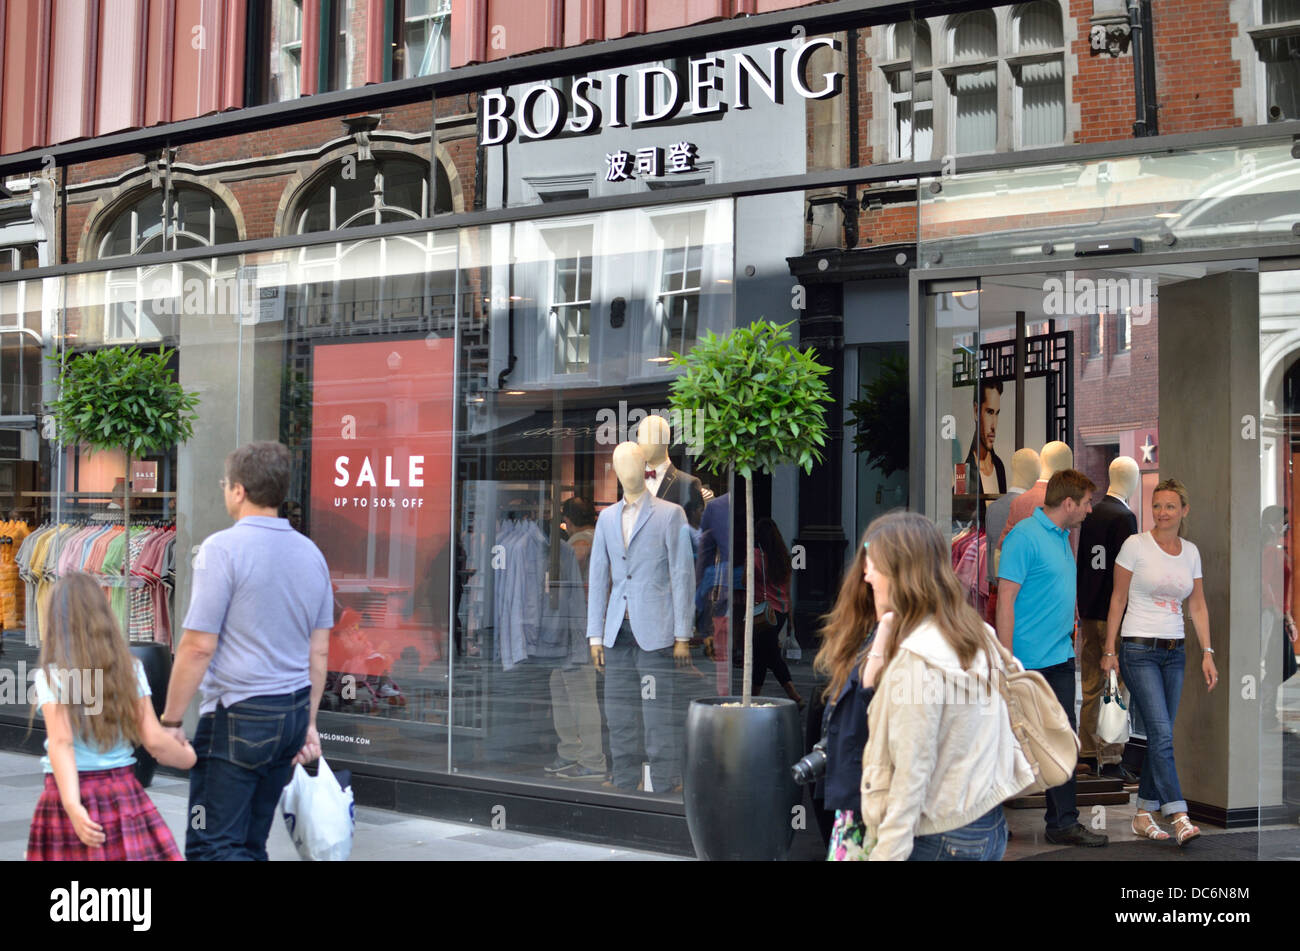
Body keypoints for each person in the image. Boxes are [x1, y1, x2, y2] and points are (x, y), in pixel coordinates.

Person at [160, 441, 334, 860]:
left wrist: (170, 719)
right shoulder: (311, 554)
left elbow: (198, 646)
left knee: (212, 844)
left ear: (239, 490)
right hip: (290, 714)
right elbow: (320, 652)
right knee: (252, 841)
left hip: (238, 717)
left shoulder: (221, 549)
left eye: (225, 484)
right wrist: (308, 723)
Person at [859, 512, 1034, 861]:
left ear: (898, 573)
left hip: (939, 835)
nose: (866, 575)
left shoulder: (918, 658)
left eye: (872, 564)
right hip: (985, 822)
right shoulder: (974, 633)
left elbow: (911, 772)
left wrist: (886, 852)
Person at [26, 572, 196, 861]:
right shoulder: (129, 670)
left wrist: (73, 805)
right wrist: (190, 758)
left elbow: (62, 742)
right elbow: (153, 740)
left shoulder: (53, 675)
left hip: (65, 790)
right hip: (120, 789)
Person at [996, 468, 1108, 847]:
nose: (1090, 511)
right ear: (1068, 503)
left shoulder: (1062, 536)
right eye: (1087, 503)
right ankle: (983, 819)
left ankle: (1062, 822)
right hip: (1026, 662)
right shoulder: (1023, 538)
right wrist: (1007, 661)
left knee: (1062, 742)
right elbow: (1005, 600)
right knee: (1009, 742)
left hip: (1059, 659)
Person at [1101, 479, 1217, 846]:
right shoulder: (1135, 545)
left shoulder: (1191, 552)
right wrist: (1109, 651)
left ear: (1184, 511)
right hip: (1138, 650)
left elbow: (1196, 605)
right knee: (1163, 733)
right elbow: (1117, 599)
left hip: (1176, 652)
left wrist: (1207, 652)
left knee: (1159, 733)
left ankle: (1141, 814)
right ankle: (1178, 814)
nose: (1162, 513)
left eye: (1170, 506)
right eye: (1157, 505)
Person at [812, 528, 879, 860]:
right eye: (866, 557)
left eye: (876, 559)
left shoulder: (909, 639)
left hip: (879, 802)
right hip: (854, 798)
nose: (867, 570)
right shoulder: (861, 630)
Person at [750, 517, 803, 707]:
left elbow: (743, 582)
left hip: (762, 613)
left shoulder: (755, 556)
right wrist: (790, 621)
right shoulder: (784, 557)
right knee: (762, 655)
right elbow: (788, 592)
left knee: (767, 655)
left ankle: (794, 695)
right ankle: (754, 697)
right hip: (780, 611)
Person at [964, 380, 1006, 496]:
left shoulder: (999, 466)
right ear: (976, 411)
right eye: (989, 412)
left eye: (997, 413)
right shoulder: (965, 471)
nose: (993, 426)